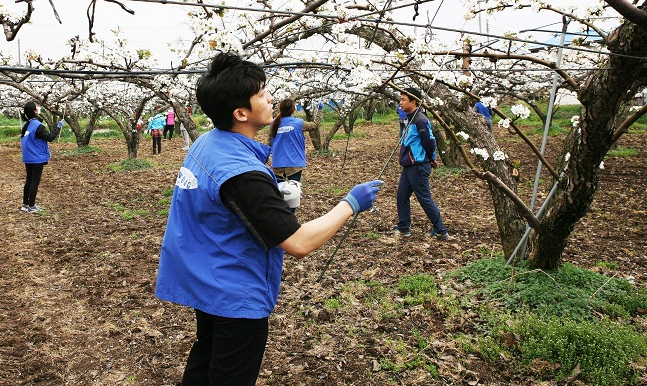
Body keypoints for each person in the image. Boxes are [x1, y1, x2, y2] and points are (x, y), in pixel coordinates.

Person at [156, 52, 382, 386]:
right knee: (230, 375)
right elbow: (299, 243)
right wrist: (350, 203)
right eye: (262, 93)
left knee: (205, 361)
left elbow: (220, 203)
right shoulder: (242, 174)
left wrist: (270, 196)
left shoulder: (207, 144)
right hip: (236, 293)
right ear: (240, 112)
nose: (271, 97)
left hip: (206, 279)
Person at [393, 87, 449, 240]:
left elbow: (430, 142)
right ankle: (404, 227)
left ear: (414, 101)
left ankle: (440, 230)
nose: (400, 102)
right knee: (402, 195)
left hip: (418, 165)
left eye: (404, 99)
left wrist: (430, 158)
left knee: (424, 197)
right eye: (400, 99)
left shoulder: (420, 120)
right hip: (409, 165)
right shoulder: (409, 118)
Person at [20, 101, 63, 214]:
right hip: (36, 157)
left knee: (29, 180)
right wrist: (58, 127)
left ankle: (25, 204)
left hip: (28, 157)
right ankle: (32, 206)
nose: (38, 108)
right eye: (36, 107)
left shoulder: (26, 124)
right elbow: (49, 137)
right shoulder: (37, 126)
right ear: (35, 111)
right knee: (35, 181)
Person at [268, 98, 321, 183]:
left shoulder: (273, 123)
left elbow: (269, 143)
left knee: (279, 191)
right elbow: (315, 125)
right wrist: (319, 111)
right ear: (293, 109)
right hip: (294, 164)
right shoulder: (299, 123)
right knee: (294, 191)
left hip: (277, 163)